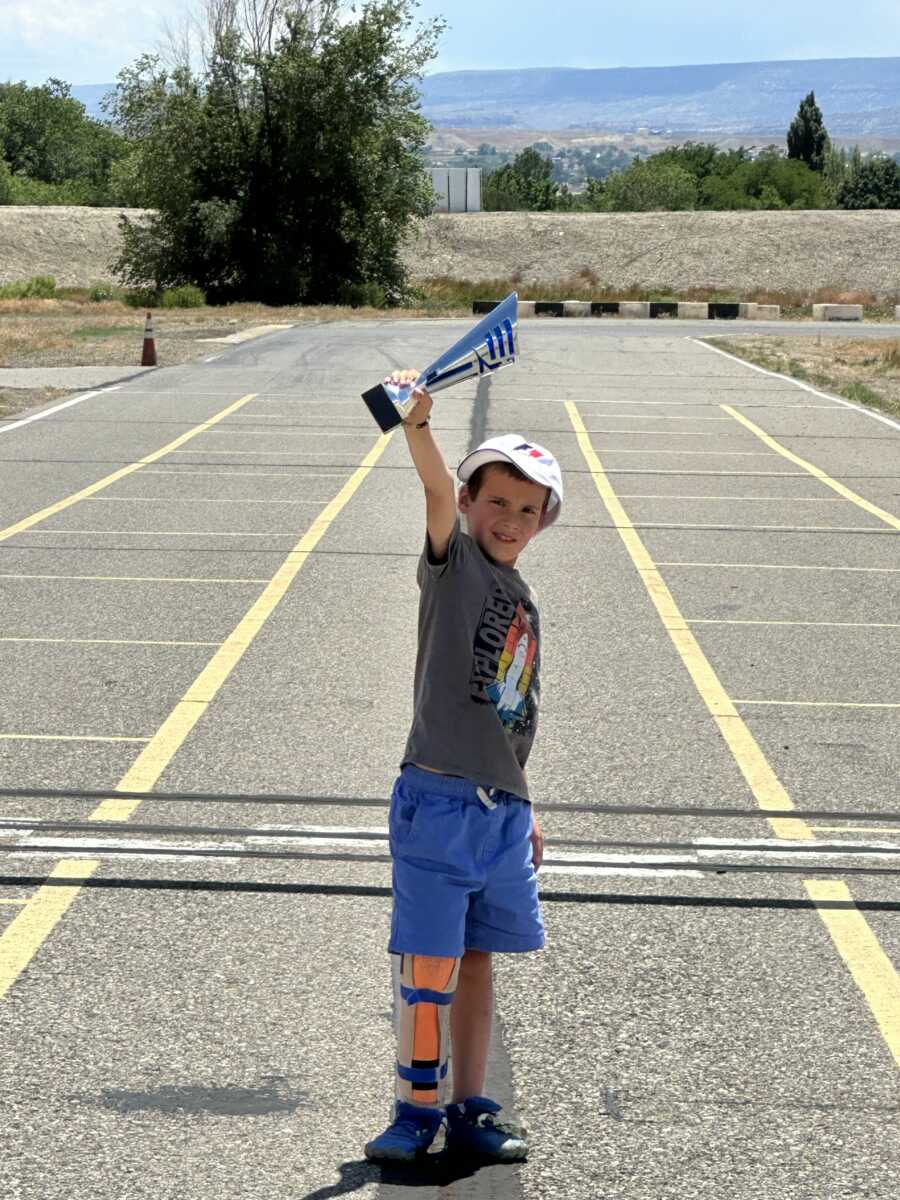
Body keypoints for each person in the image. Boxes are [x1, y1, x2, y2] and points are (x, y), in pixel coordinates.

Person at [364, 370, 564, 1165]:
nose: (509, 518)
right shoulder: (456, 568)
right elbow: (434, 493)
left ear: (544, 519)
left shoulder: (520, 594)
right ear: (472, 504)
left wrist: (525, 803)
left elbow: (511, 718)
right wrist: (418, 424)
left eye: (527, 507)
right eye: (496, 501)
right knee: (430, 969)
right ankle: (415, 1109)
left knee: (478, 962)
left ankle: (470, 1105)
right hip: (440, 803)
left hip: (499, 812)